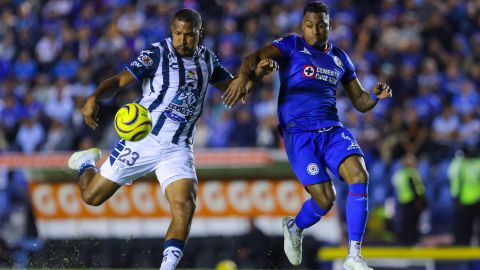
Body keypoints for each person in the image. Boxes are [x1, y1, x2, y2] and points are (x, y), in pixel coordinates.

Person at [67, 9, 275, 270]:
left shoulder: (207, 59)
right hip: (142, 140)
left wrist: (257, 74)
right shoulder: (156, 53)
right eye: (177, 33)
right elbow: (120, 80)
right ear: (171, 31)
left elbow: (233, 88)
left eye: (189, 35)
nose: (182, 40)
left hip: (178, 147)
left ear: (200, 34)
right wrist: (94, 97)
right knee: (91, 198)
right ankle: (87, 162)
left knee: (184, 205)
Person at [222, 2, 392, 269]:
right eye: (310, 26)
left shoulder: (340, 59)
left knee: (360, 175)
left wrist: (375, 96)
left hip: (332, 129)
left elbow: (359, 101)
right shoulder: (291, 46)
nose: (315, 31)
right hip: (299, 135)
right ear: (303, 27)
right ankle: (294, 226)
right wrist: (244, 77)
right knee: (326, 199)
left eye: (321, 25)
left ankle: (354, 256)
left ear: (329, 26)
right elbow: (252, 58)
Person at [448, 145, 480, 246]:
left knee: (466, 225)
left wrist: (456, 197)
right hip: (477, 198)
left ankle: (464, 244)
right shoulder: (478, 163)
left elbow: (456, 181)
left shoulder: (460, 164)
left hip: (465, 199)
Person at [392, 153, 426, 246]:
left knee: (404, 222)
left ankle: (403, 241)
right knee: (412, 223)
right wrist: (420, 200)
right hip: (412, 201)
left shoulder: (399, 174)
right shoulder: (412, 173)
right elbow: (417, 188)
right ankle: (411, 241)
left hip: (403, 200)